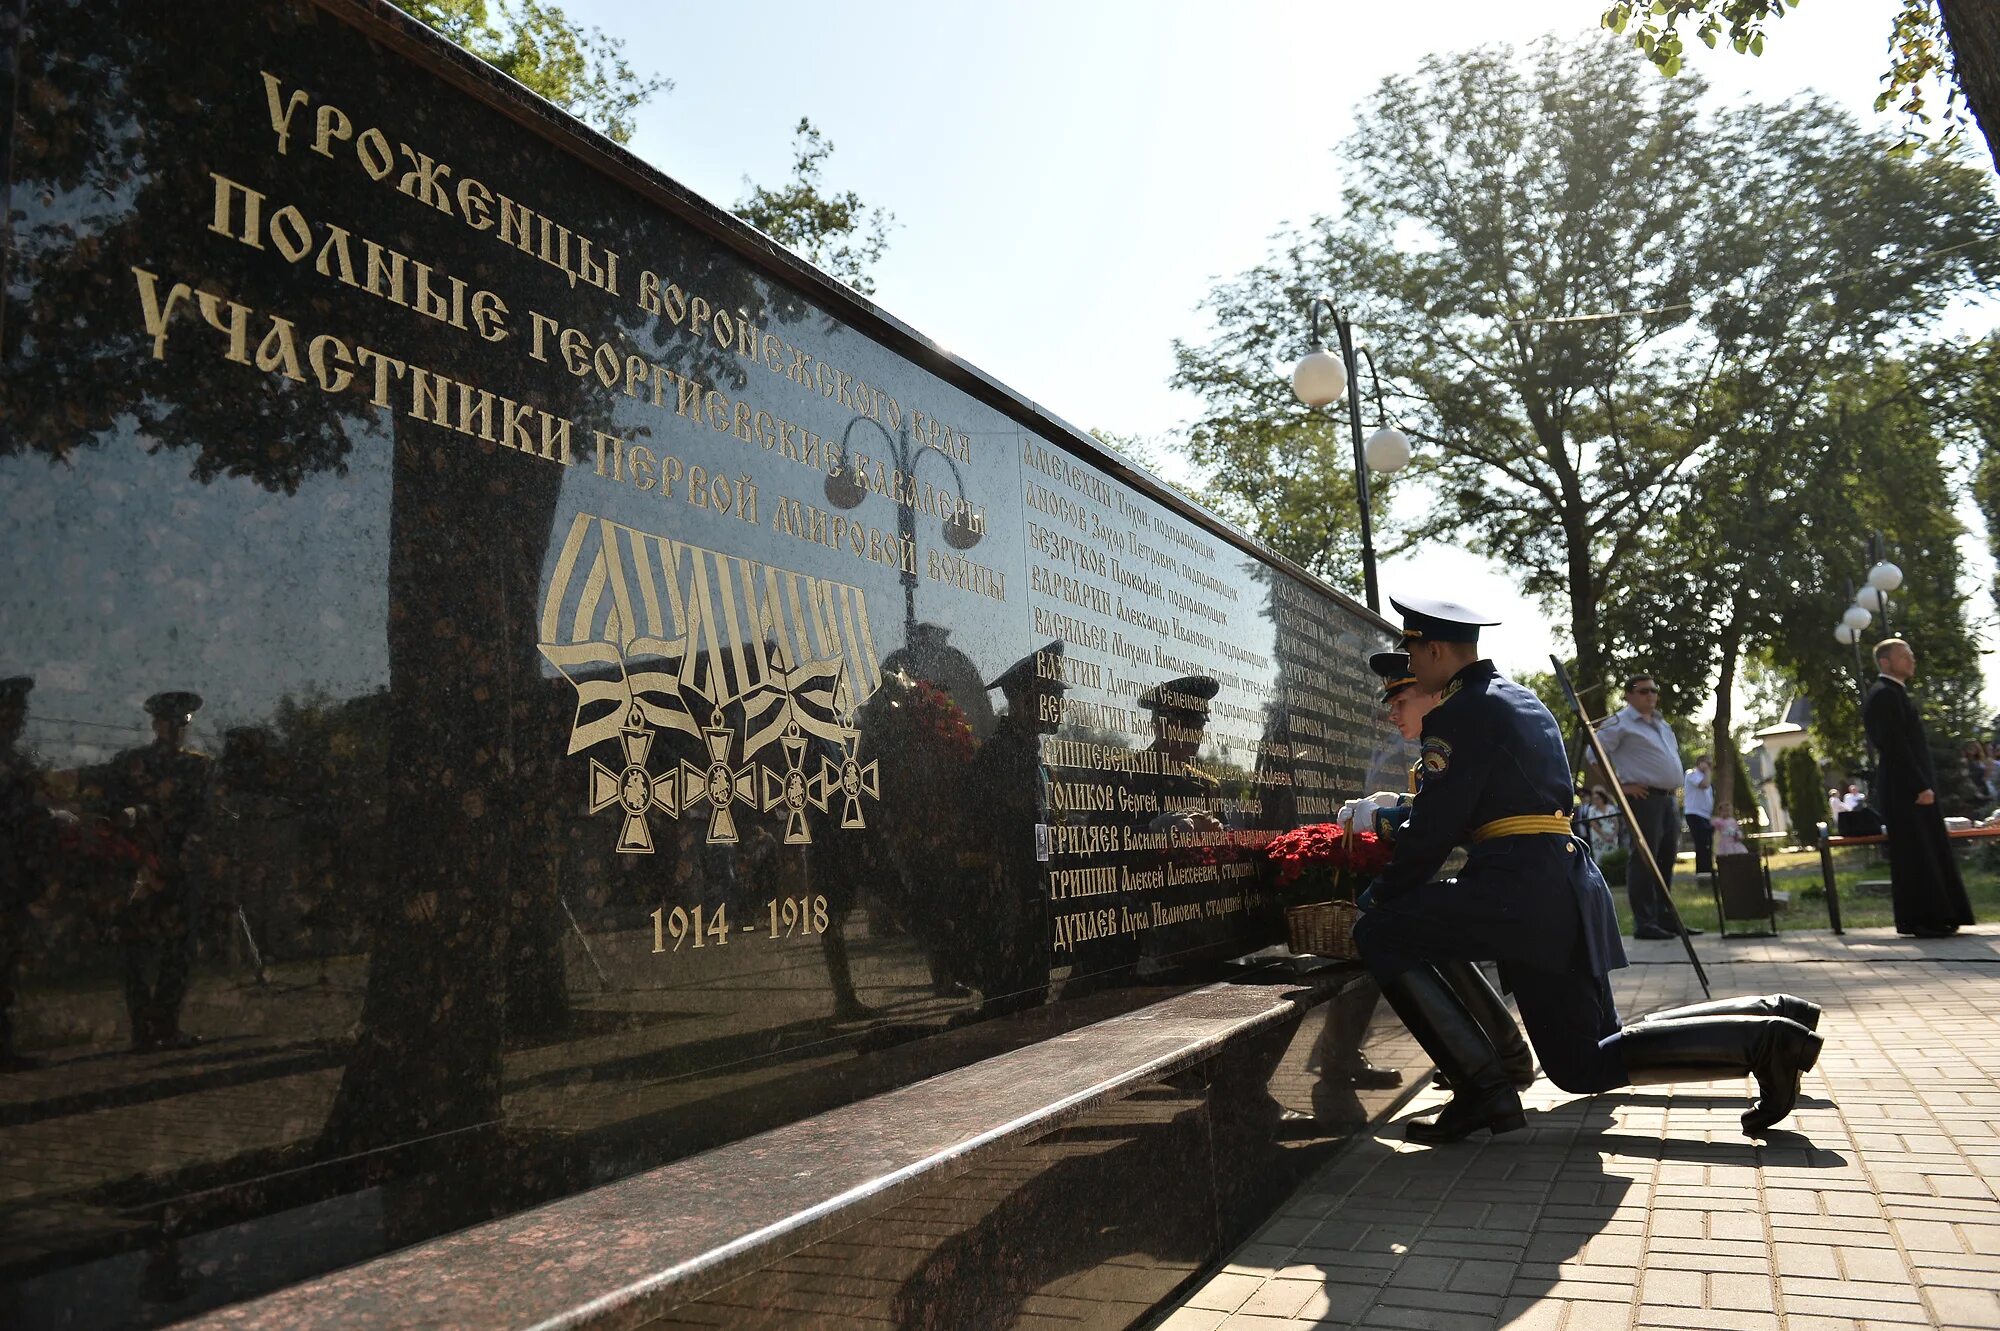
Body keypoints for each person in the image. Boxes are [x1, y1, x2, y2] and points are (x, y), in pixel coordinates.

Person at [1350, 595, 1824, 1143]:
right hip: (1562, 881)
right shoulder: (1520, 699)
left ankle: (1484, 1088)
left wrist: (1381, 892)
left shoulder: (1460, 712)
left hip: (1520, 891)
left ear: (1433, 648)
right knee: (1601, 1043)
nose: (1409, 663)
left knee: (1384, 931)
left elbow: (1434, 830)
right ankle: (1769, 1017)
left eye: (1411, 650)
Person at [92, 690, 215, 1051]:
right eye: (169, 722)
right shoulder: (131, 763)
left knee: (178, 950)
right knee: (135, 948)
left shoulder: (199, 766)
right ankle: (143, 1028)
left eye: (182, 723)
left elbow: (203, 818)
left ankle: (165, 1025)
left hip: (178, 866)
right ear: (155, 723)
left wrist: (183, 857)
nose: (176, 729)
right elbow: (110, 809)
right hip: (138, 867)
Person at [1861, 639, 1974, 938]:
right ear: (1885, 662)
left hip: (1912, 787)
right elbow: (1895, 746)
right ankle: (1925, 919)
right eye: (1904, 655)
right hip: (1905, 789)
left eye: (1911, 653)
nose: (1912, 659)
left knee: (1927, 850)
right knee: (1916, 853)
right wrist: (1919, 785)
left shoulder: (1895, 693)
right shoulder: (1884, 695)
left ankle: (1939, 916)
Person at [1593, 675, 1701, 940]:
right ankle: (1645, 922)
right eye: (1643, 691)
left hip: (1667, 798)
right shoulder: (1619, 723)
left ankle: (1666, 918)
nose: (1650, 695)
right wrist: (1619, 787)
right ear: (1629, 695)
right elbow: (1592, 755)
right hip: (1642, 799)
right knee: (1644, 858)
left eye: (1654, 690)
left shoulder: (1661, 723)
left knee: (1666, 856)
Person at [1682, 754, 1715, 876]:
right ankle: (1702, 872)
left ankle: (1708, 870)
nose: (1710, 767)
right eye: (1708, 763)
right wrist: (1707, 771)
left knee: (1708, 844)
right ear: (1700, 762)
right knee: (1702, 843)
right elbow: (1704, 785)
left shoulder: (1706, 777)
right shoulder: (1691, 774)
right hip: (1694, 813)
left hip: (1705, 815)